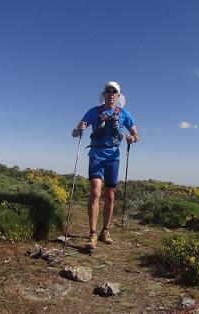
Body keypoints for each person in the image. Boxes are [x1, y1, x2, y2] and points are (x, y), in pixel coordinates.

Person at [72, 81, 139, 249]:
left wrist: (133, 138)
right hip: (96, 154)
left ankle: (105, 231)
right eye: (108, 91)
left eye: (113, 92)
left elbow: (135, 134)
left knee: (110, 195)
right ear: (104, 94)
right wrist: (78, 129)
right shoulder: (94, 112)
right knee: (95, 192)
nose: (110, 94)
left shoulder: (124, 114)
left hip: (114, 157)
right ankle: (92, 234)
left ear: (118, 96)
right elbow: (75, 133)